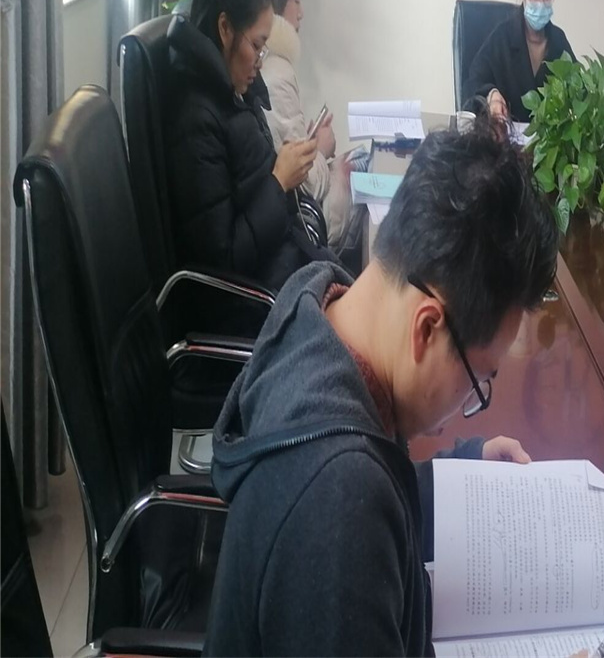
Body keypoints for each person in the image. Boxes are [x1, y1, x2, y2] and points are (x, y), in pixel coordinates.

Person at [203, 123, 559, 655]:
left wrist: (458, 472)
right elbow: (349, 501)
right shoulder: (339, 513)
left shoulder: (320, 305)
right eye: (478, 380)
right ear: (427, 328)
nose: (470, 403)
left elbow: (371, 474)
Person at [165, 0, 334, 291]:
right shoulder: (197, 120)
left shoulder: (233, 94)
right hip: (254, 297)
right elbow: (224, 259)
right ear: (225, 28)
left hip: (283, 268)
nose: (260, 61)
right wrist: (279, 180)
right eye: (256, 46)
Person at [252, 0, 353, 248]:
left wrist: (309, 146)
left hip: (285, 217)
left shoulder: (266, 65)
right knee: (354, 175)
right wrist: (320, 150)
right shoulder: (275, 72)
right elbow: (306, 188)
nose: (301, 11)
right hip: (299, 228)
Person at [464, 0, 575, 123]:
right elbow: (473, 82)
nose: (542, 2)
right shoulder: (502, 37)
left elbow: (579, 91)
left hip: (548, 142)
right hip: (505, 139)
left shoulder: (558, 42)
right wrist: (492, 95)